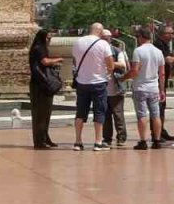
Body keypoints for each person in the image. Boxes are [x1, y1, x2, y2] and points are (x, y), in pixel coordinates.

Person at [71, 23, 114, 152]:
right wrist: (107, 72)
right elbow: (110, 65)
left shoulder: (78, 43)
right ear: (100, 32)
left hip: (82, 82)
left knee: (80, 112)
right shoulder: (103, 44)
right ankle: (98, 142)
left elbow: (74, 61)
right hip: (98, 82)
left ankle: (78, 141)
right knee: (99, 112)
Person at [127, 26, 166, 150]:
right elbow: (162, 73)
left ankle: (143, 141)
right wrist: (162, 89)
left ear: (141, 37)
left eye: (138, 37)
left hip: (140, 87)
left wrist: (124, 77)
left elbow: (135, 71)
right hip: (154, 87)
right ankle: (157, 140)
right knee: (156, 114)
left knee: (142, 115)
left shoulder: (138, 51)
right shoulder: (158, 52)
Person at [28, 29, 62, 150]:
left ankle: (45, 138)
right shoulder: (38, 48)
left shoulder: (40, 48)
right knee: (40, 115)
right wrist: (58, 59)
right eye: (48, 38)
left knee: (46, 114)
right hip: (40, 85)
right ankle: (39, 141)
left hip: (43, 85)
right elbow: (45, 61)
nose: (49, 41)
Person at [101, 37, 129, 147]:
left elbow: (123, 65)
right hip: (102, 89)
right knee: (105, 116)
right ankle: (107, 138)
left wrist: (110, 62)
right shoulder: (98, 51)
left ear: (109, 40)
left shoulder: (117, 51)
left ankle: (121, 138)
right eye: (102, 38)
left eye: (106, 38)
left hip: (116, 88)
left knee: (118, 114)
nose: (104, 40)